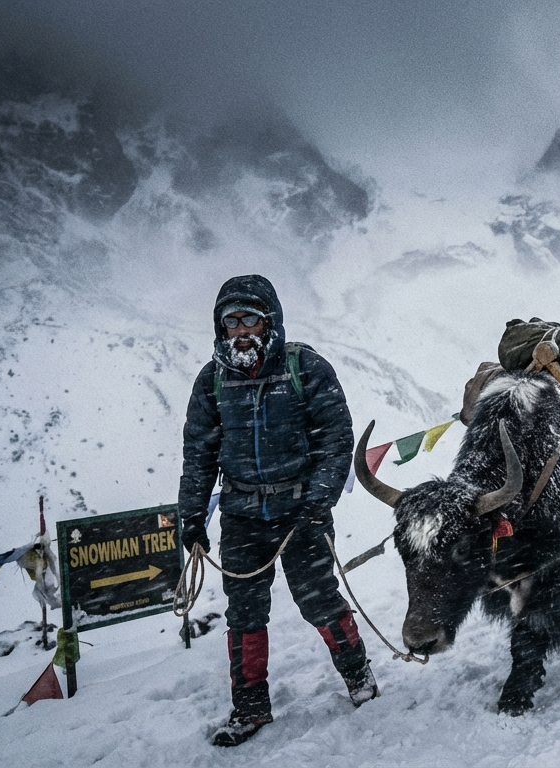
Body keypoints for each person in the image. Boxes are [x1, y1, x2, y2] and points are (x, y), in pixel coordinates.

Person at [178, 275, 376, 747]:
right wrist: (192, 517)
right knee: (244, 613)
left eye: (250, 319)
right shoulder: (212, 381)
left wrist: (319, 500)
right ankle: (250, 708)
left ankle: (358, 676)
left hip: (302, 511)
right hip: (241, 514)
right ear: (220, 328)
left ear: (269, 321)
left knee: (319, 600)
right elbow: (199, 454)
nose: (241, 330)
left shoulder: (305, 368)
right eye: (231, 322)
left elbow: (336, 440)